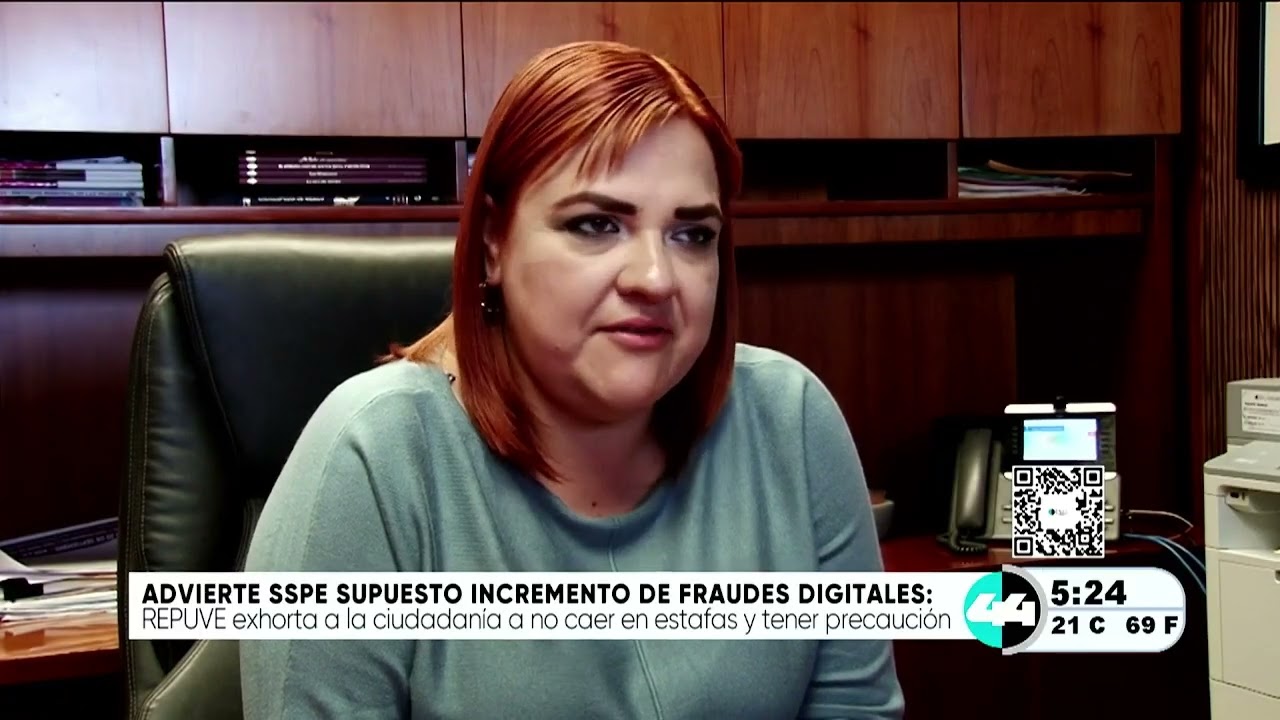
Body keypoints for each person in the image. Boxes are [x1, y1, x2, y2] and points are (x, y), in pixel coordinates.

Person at [240, 40, 904, 719]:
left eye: (692, 235)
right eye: (596, 225)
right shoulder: (373, 455)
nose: (655, 279)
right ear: (493, 242)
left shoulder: (790, 420)